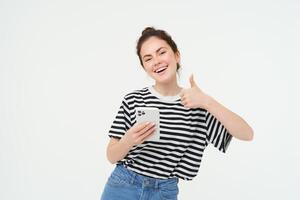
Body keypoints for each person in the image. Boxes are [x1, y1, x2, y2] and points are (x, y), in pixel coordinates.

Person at [100, 27, 254, 200]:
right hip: (123, 185)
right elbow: (111, 156)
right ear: (144, 67)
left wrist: (206, 101)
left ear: (176, 55)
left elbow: (247, 134)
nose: (156, 61)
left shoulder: (196, 103)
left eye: (161, 52)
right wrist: (128, 140)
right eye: (148, 58)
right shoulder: (133, 100)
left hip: (164, 191)